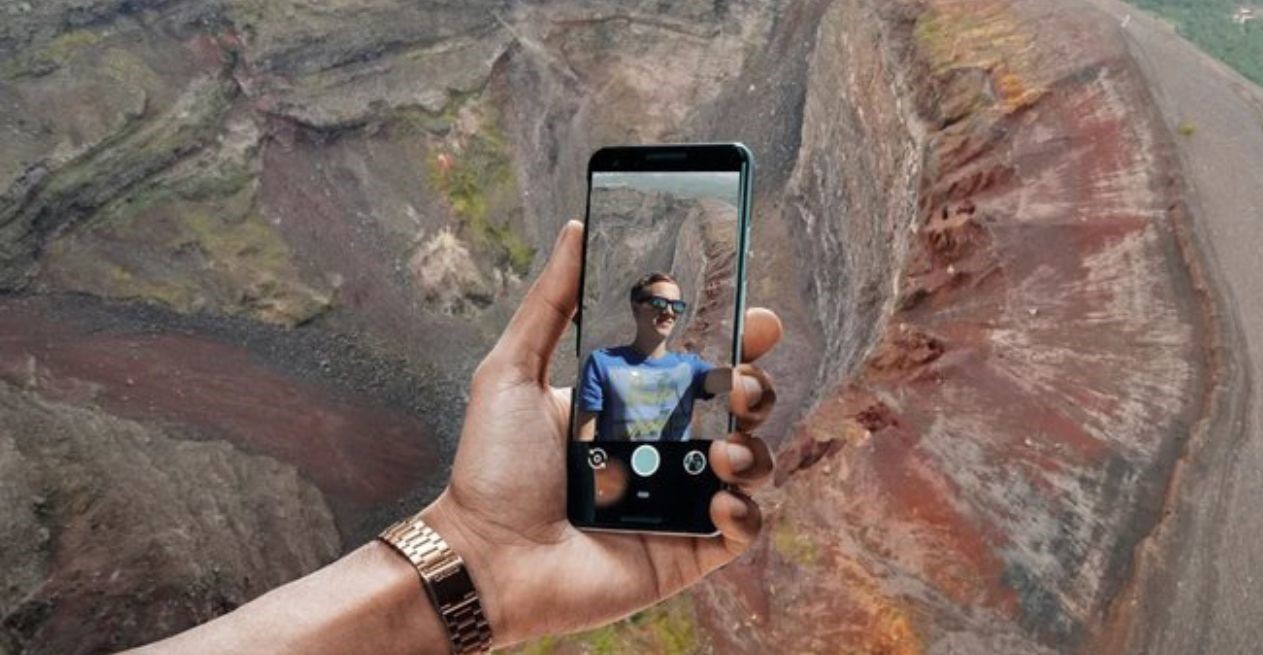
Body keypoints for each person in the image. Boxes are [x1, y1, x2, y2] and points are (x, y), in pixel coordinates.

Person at [128, 220, 781, 654]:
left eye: (671, 310)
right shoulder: (607, 367)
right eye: (655, 308)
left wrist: (478, 552)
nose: (662, 318)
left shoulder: (667, 370)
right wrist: (480, 557)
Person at [575, 272, 733, 442]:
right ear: (636, 308)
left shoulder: (690, 368)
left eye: (677, 306)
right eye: (659, 303)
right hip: (618, 467)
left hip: (672, 468)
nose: (669, 311)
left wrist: (743, 370)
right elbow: (584, 441)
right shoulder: (602, 364)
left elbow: (724, 380)